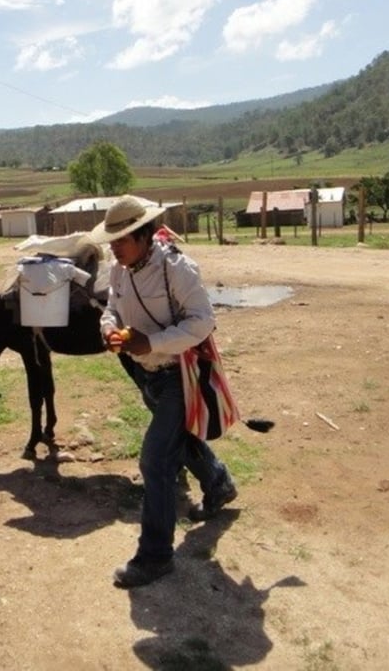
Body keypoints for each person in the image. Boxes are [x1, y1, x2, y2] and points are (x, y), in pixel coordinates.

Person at [92, 195, 237, 588]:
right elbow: (111, 309)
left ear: (142, 236)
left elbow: (203, 322)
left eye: (120, 240)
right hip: (148, 374)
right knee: (178, 437)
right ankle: (220, 484)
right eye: (111, 241)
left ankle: (155, 556)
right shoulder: (120, 269)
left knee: (155, 460)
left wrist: (151, 342)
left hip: (179, 373)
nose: (114, 247)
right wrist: (109, 328)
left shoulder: (177, 268)